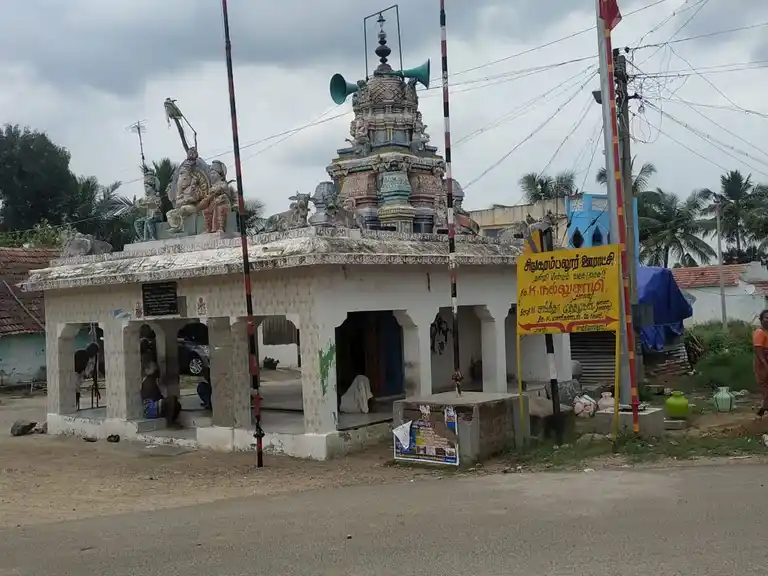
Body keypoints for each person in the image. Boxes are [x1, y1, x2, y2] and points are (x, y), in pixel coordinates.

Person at [139, 340, 182, 427]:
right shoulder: (148, 382)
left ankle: (171, 420)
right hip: (149, 410)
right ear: (147, 370)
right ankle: (170, 422)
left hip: (153, 406)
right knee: (171, 400)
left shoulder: (152, 381)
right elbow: (156, 398)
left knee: (175, 403)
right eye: (155, 369)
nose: (157, 371)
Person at [753, 310, 768, 417]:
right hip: (763, 362)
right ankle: (765, 406)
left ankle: (764, 407)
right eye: (766, 318)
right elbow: (758, 350)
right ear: (761, 320)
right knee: (765, 385)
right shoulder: (760, 332)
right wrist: (765, 364)